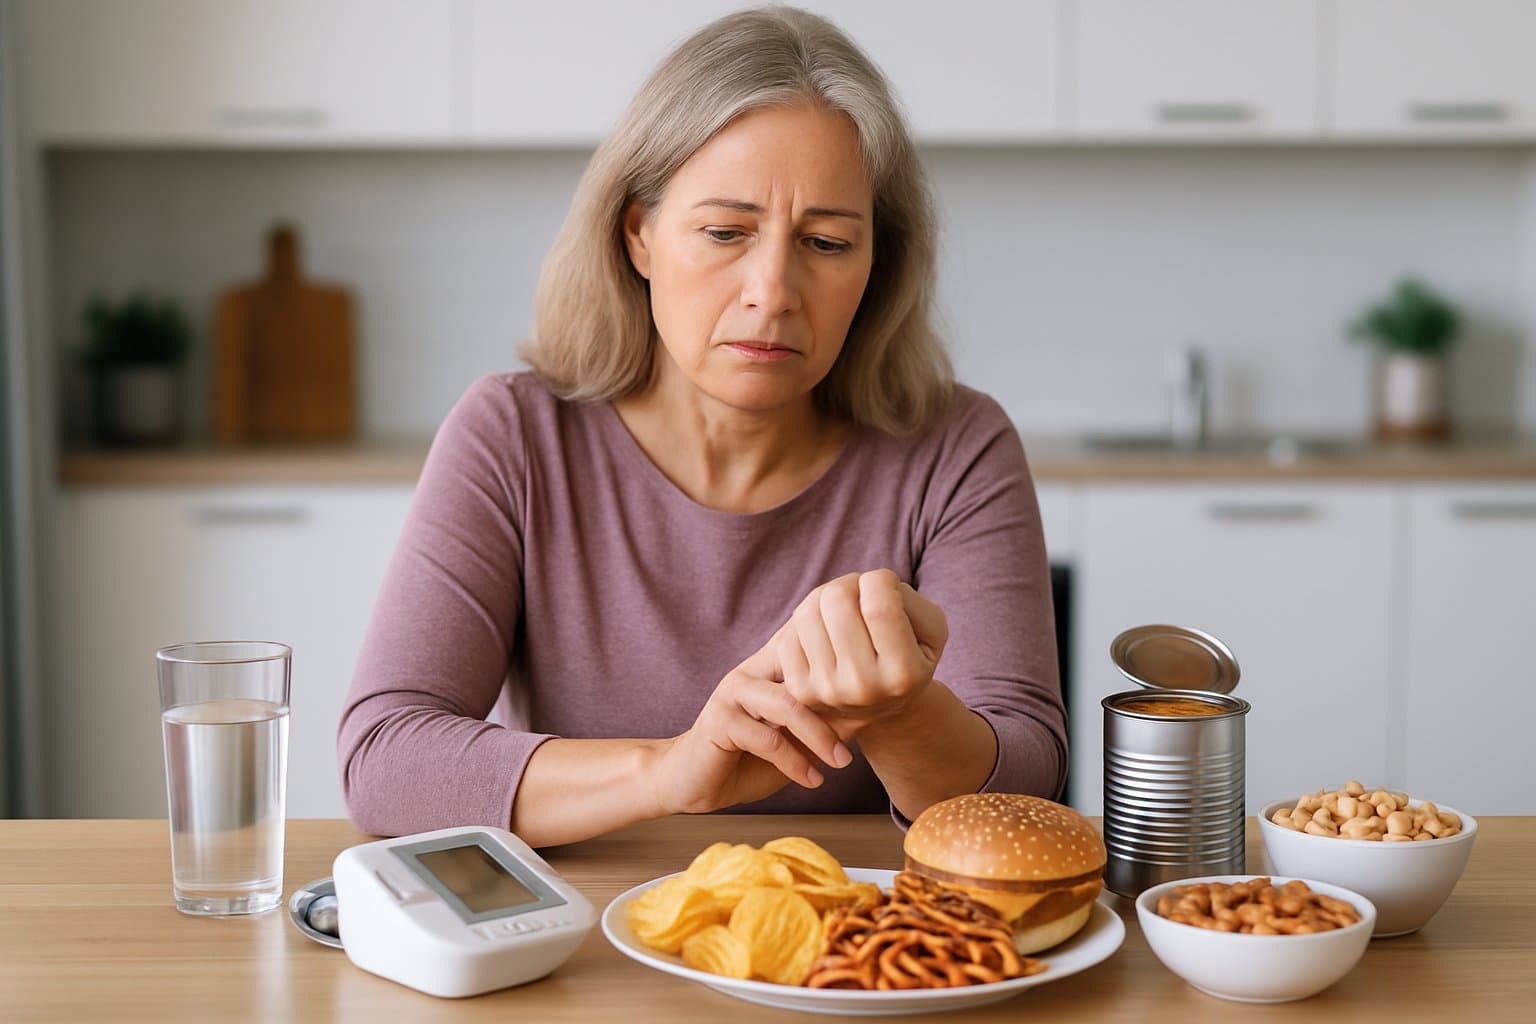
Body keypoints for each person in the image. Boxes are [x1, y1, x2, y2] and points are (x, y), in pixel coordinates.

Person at [337, 5, 1065, 848]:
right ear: (639, 233)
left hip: (858, 957)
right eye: (725, 232)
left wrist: (901, 714)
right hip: (582, 949)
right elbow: (384, 760)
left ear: (878, 264)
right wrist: (671, 770)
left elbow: (1030, 785)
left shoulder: (956, 449)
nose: (773, 290)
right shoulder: (515, 435)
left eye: (827, 243)